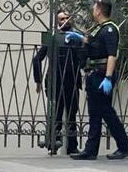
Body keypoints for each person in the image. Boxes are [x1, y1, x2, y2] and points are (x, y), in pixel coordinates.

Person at [69, 0, 128, 160]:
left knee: (105, 111)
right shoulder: (99, 29)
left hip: (102, 74)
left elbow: (112, 55)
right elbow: (93, 44)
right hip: (94, 74)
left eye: (94, 8)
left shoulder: (110, 29)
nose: (92, 10)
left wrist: (108, 77)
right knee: (96, 112)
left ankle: (123, 146)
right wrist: (78, 38)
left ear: (99, 10)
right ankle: (91, 150)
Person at [33, 9, 83, 155]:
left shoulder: (75, 37)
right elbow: (37, 59)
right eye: (62, 19)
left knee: (72, 113)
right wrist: (38, 81)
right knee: (56, 113)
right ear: (57, 22)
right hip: (55, 81)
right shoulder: (53, 38)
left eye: (67, 18)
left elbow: (82, 57)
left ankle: (72, 146)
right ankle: (53, 144)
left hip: (72, 80)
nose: (66, 20)